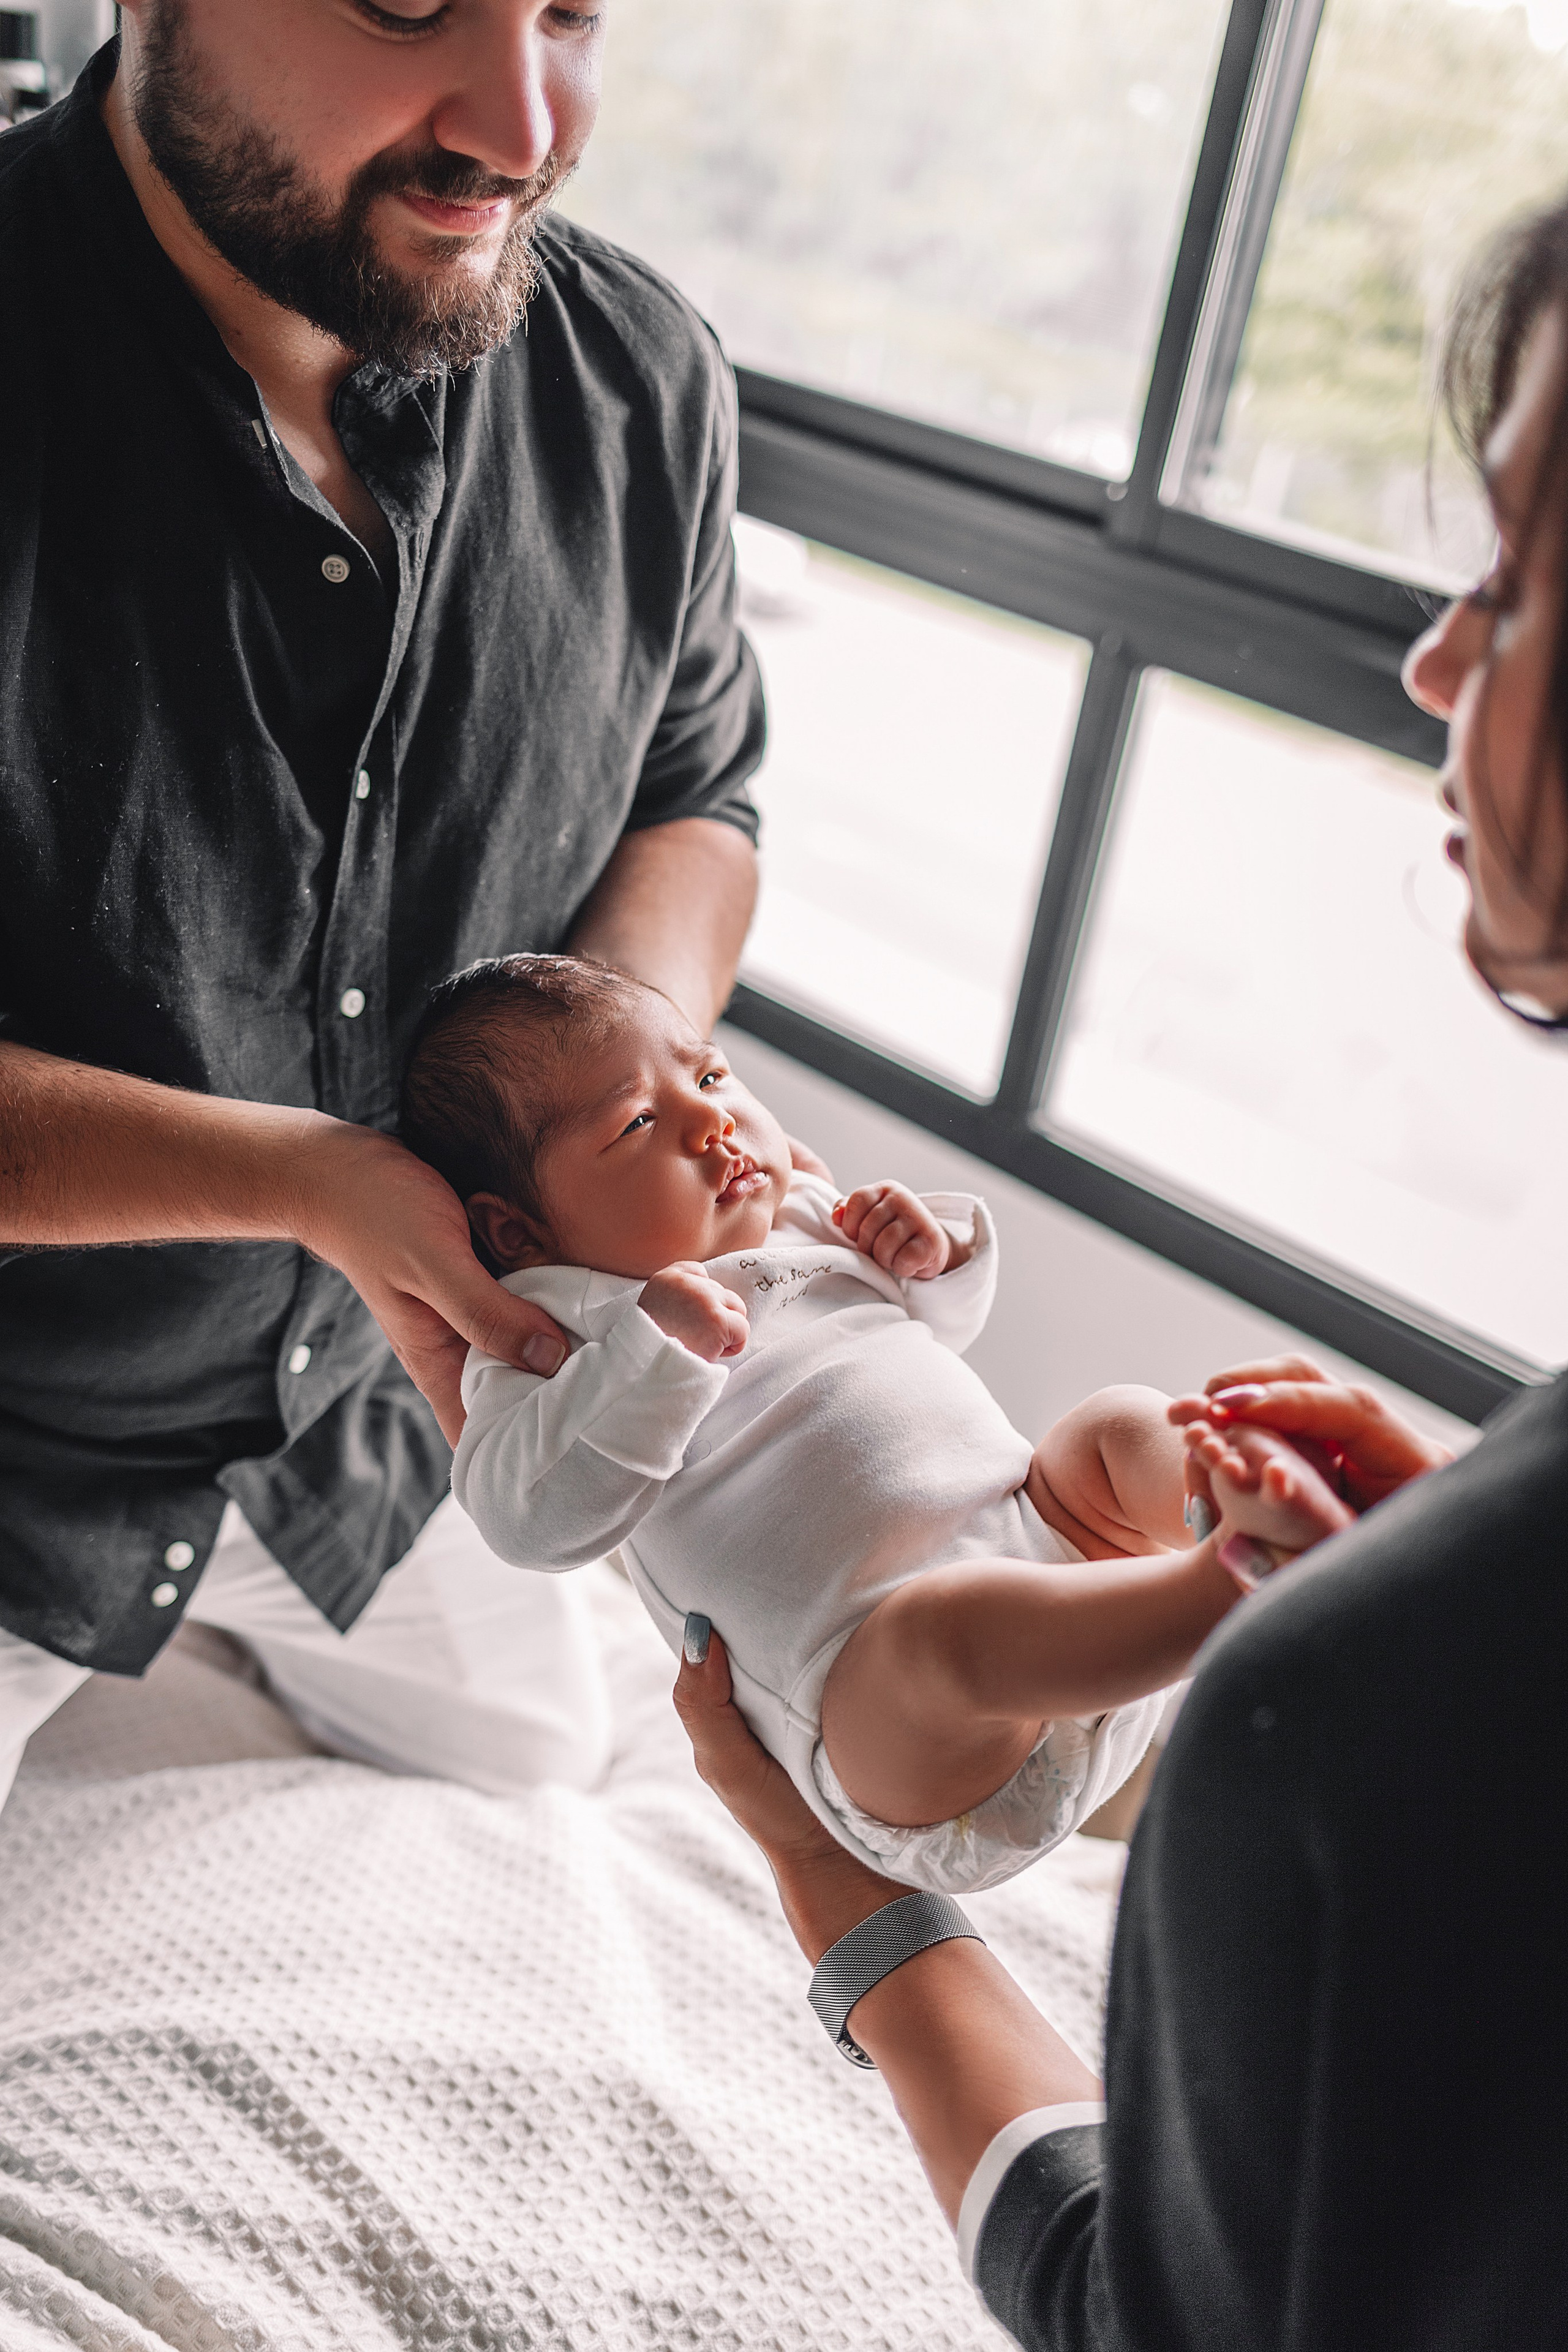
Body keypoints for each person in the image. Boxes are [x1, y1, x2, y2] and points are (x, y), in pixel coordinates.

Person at [671, 190, 1568, 2348]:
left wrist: (829, 1882)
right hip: (1045, 1659)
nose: (1436, 658)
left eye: (1522, 580)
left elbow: (1156, 2311)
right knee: (1116, 1459)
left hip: (959, 1762)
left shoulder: (1351, 1722)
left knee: (1072, 1500)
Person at [0, 0, 770, 1808]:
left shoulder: (642, 380)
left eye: (573, 10)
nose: (521, 123)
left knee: (535, 1766)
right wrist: (292, 1176)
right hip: (19, 1443)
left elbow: (698, 797)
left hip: (364, 1422)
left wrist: (618, 1087)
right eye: (407, 1)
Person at [398, 949, 1350, 1899]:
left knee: (1113, 1427)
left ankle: (1234, 1495)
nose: (711, 1120)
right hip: (900, 1729)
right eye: (639, 1123)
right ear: (518, 1233)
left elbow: (932, 1334)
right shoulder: (549, 1336)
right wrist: (657, 1352)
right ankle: (1240, 1582)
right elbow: (526, 1521)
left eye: (711, 1074)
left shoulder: (801, 1214)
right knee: (940, 1633)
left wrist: (929, 1253)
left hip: (1053, 1547)